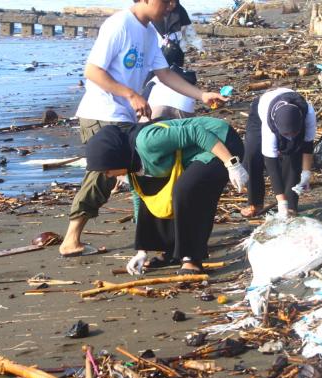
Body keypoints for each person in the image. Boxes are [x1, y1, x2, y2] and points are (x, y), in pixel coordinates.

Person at [59, 0, 227, 257]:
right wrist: (131, 95)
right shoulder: (119, 24)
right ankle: (71, 239)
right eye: (167, 0)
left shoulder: (149, 33)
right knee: (103, 176)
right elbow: (92, 71)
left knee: (136, 171)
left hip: (124, 115)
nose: (171, 6)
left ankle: (151, 238)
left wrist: (201, 94)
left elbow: (165, 74)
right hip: (100, 113)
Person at [84, 117, 248, 274]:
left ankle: (191, 258)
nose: (108, 175)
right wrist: (142, 251)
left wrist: (231, 164)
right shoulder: (130, 164)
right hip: (191, 155)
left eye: (107, 170)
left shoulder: (148, 142)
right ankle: (171, 251)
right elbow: (141, 200)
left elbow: (197, 133)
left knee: (186, 190)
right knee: (153, 195)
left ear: (116, 157)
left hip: (219, 141)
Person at [240, 87, 317, 219]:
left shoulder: (308, 114)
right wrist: (281, 201)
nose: (290, 136)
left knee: (293, 154)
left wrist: (306, 173)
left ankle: (291, 205)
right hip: (262, 110)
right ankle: (255, 202)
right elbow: (271, 163)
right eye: (286, 134)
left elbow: (307, 146)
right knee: (252, 153)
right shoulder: (269, 125)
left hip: (291, 115)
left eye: (294, 133)